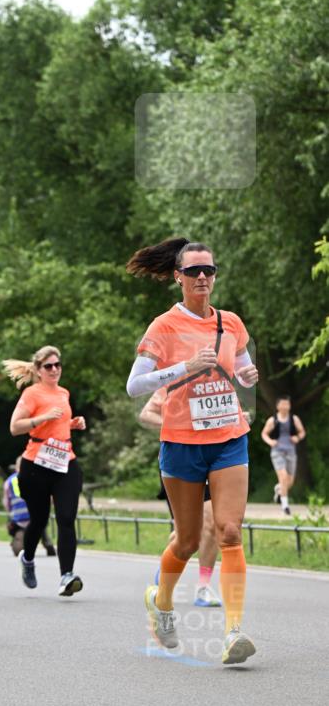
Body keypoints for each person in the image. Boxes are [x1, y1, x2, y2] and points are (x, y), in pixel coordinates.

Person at [126, 236, 259, 665]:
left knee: (230, 531)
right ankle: (161, 603)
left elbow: (238, 365)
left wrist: (247, 374)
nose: (202, 277)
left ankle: (234, 631)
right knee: (185, 540)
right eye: (193, 271)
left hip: (228, 437)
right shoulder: (162, 326)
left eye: (209, 270)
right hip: (182, 442)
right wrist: (184, 367)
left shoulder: (232, 323)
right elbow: (135, 385)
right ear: (178, 277)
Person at [4, 345, 86, 596]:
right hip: (36, 464)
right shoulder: (31, 394)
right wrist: (42, 418)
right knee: (38, 520)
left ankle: (66, 576)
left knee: (65, 518)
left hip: (64, 461)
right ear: (38, 370)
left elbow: (58, 426)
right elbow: (14, 427)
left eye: (57, 365)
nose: (54, 369)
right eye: (48, 366)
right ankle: (27, 559)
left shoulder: (64, 393)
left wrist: (72, 424)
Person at [139, 390, 222, 607]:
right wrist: (176, 424)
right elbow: (146, 414)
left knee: (212, 524)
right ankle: (168, 565)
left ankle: (203, 587)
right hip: (180, 461)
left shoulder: (216, 381)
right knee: (186, 533)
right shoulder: (173, 381)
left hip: (213, 459)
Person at [3, 456, 56, 558]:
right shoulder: (36, 477)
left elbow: (6, 502)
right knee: (40, 524)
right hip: (34, 516)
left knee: (20, 545)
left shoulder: (9, 482)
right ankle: (47, 542)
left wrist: (11, 512)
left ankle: (19, 542)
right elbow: (47, 496)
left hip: (19, 519)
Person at [261, 395, 306, 515]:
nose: (286, 406)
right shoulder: (273, 420)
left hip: (291, 451)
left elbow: (302, 432)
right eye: (283, 404)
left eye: (288, 404)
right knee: (283, 477)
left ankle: (279, 489)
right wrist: (270, 442)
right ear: (278, 406)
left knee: (290, 481)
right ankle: (285, 505)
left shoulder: (294, 419)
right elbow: (264, 434)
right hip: (277, 451)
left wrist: (297, 437)